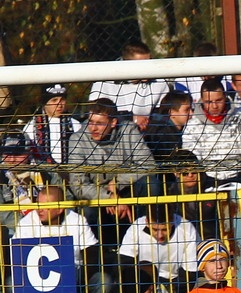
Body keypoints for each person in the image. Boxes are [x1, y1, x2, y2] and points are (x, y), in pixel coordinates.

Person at [68, 97, 158, 245]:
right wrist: (109, 197)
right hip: (97, 194)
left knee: (151, 184)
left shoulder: (128, 131)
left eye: (99, 123)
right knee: (87, 209)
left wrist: (117, 182)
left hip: (127, 189)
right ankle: (97, 254)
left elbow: (149, 165)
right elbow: (78, 185)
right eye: (90, 122)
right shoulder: (77, 139)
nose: (93, 128)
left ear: (113, 122)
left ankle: (146, 240)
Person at [182, 78, 241, 186]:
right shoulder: (192, 124)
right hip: (207, 181)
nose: (214, 106)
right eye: (209, 102)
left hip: (239, 178)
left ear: (225, 97)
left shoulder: (240, 117)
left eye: (218, 100)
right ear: (201, 100)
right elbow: (191, 155)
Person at [89, 41, 170, 131]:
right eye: (142, 67)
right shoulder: (103, 81)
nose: (148, 70)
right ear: (126, 65)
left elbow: (163, 115)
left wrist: (148, 123)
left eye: (149, 64)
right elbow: (96, 115)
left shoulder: (159, 82)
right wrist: (132, 119)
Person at [23, 83, 81, 165]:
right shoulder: (31, 127)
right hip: (41, 174)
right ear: (45, 103)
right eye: (54, 100)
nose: (59, 105)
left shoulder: (75, 125)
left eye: (62, 100)